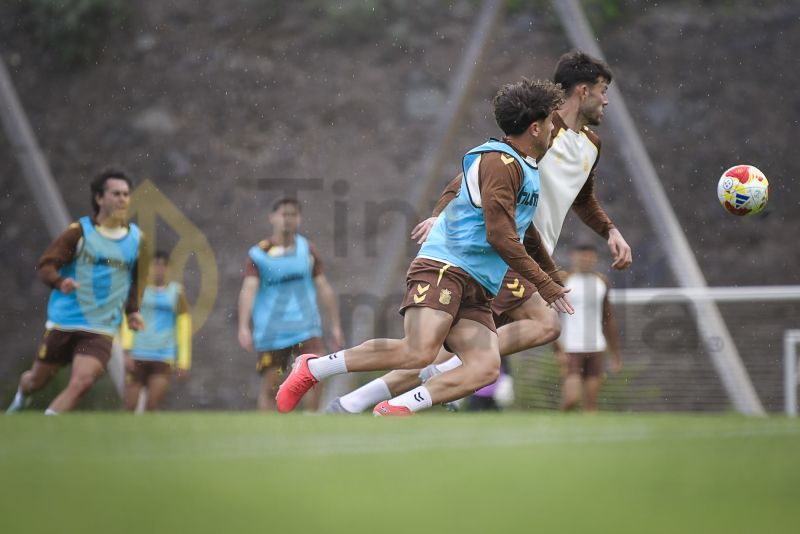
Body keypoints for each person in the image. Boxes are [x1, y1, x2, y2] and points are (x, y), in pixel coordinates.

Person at [326, 49, 632, 414]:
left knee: (439, 349)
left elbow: (582, 198)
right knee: (544, 325)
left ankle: (353, 402)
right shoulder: (540, 132)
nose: (606, 100)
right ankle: (429, 384)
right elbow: (476, 174)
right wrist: (440, 213)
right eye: (602, 90)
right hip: (507, 253)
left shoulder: (590, 146)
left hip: (529, 255)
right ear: (583, 91)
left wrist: (610, 230)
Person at [276, 78, 573, 416]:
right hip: (446, 267)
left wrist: (550, 275)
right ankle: (314, 368)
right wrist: (546, 285)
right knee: (419, 351)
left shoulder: (523, 167)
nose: (554, 128)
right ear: (535, 128)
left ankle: (395, 408)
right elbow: (500, 235)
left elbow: (525, 231)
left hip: (478, 283)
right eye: (550, 121)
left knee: (484, 367)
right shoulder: (498, 163)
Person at [6, 168, 148, 415]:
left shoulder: (137, 240)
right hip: (65, 322)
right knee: (36, 382)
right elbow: (46, 265)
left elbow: (136, 279)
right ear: (99, 198)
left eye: (126, 194)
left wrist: (133, 311)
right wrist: (59, 281)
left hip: (101, 328)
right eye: (116, 194)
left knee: (82, 382)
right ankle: (21, 397)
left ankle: (45, 428)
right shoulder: (79, 232)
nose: (123, 199)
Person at [238, 198, 344, 411]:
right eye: (283, 214)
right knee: (271, 386)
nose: (288, 219)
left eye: (293, 215)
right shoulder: (259, 254)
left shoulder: (307, 249)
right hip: (272, 332)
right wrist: (243, 325)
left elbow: (323, 286)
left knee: (315, 378)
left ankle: (310, 426)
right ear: (272, 218)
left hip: (306, 328)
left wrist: (335, 325)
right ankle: (266, 436)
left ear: (299, 219)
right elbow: (248, 289)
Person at [121, 250, 191, 411]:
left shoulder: (177, 292)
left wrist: (184, 361)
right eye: (156, 265)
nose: (159, 270)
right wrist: (126, 350)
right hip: (138, 352)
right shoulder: (139, 289)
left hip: (163, 355)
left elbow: (184, 325)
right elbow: (128, 318)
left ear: (169, 269)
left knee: (152, 405)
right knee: (129, 405)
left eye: (163, 266)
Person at [555, 244, 622, 412]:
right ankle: (557, 423)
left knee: (591, 405)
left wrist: (615, 354)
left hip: (596, 347)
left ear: (595, 259)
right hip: (570, 347)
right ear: (573, 256)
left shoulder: (601, 281)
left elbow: (608, 318)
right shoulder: (563, 280)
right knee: (572, 399)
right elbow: (553, 317)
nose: (585, 260)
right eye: (581, 256)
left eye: (589, 256)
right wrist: (557, 350)